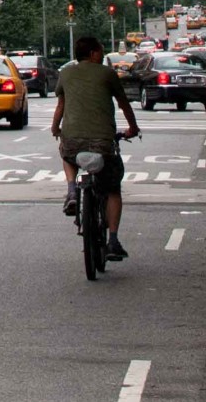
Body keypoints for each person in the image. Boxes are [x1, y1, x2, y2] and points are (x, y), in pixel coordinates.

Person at [52, 31, 140, 262]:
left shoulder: (66, 73)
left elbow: (61, 105)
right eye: (100, 51)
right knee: (112, 188)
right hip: (103, 141)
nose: (102, 55)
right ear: (92, 54)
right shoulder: (107, 74)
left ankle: (71, 189)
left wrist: (55, 129)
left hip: (73, 139)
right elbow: (123, 104)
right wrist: (133, 128)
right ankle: (112, 240)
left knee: (67, 154)